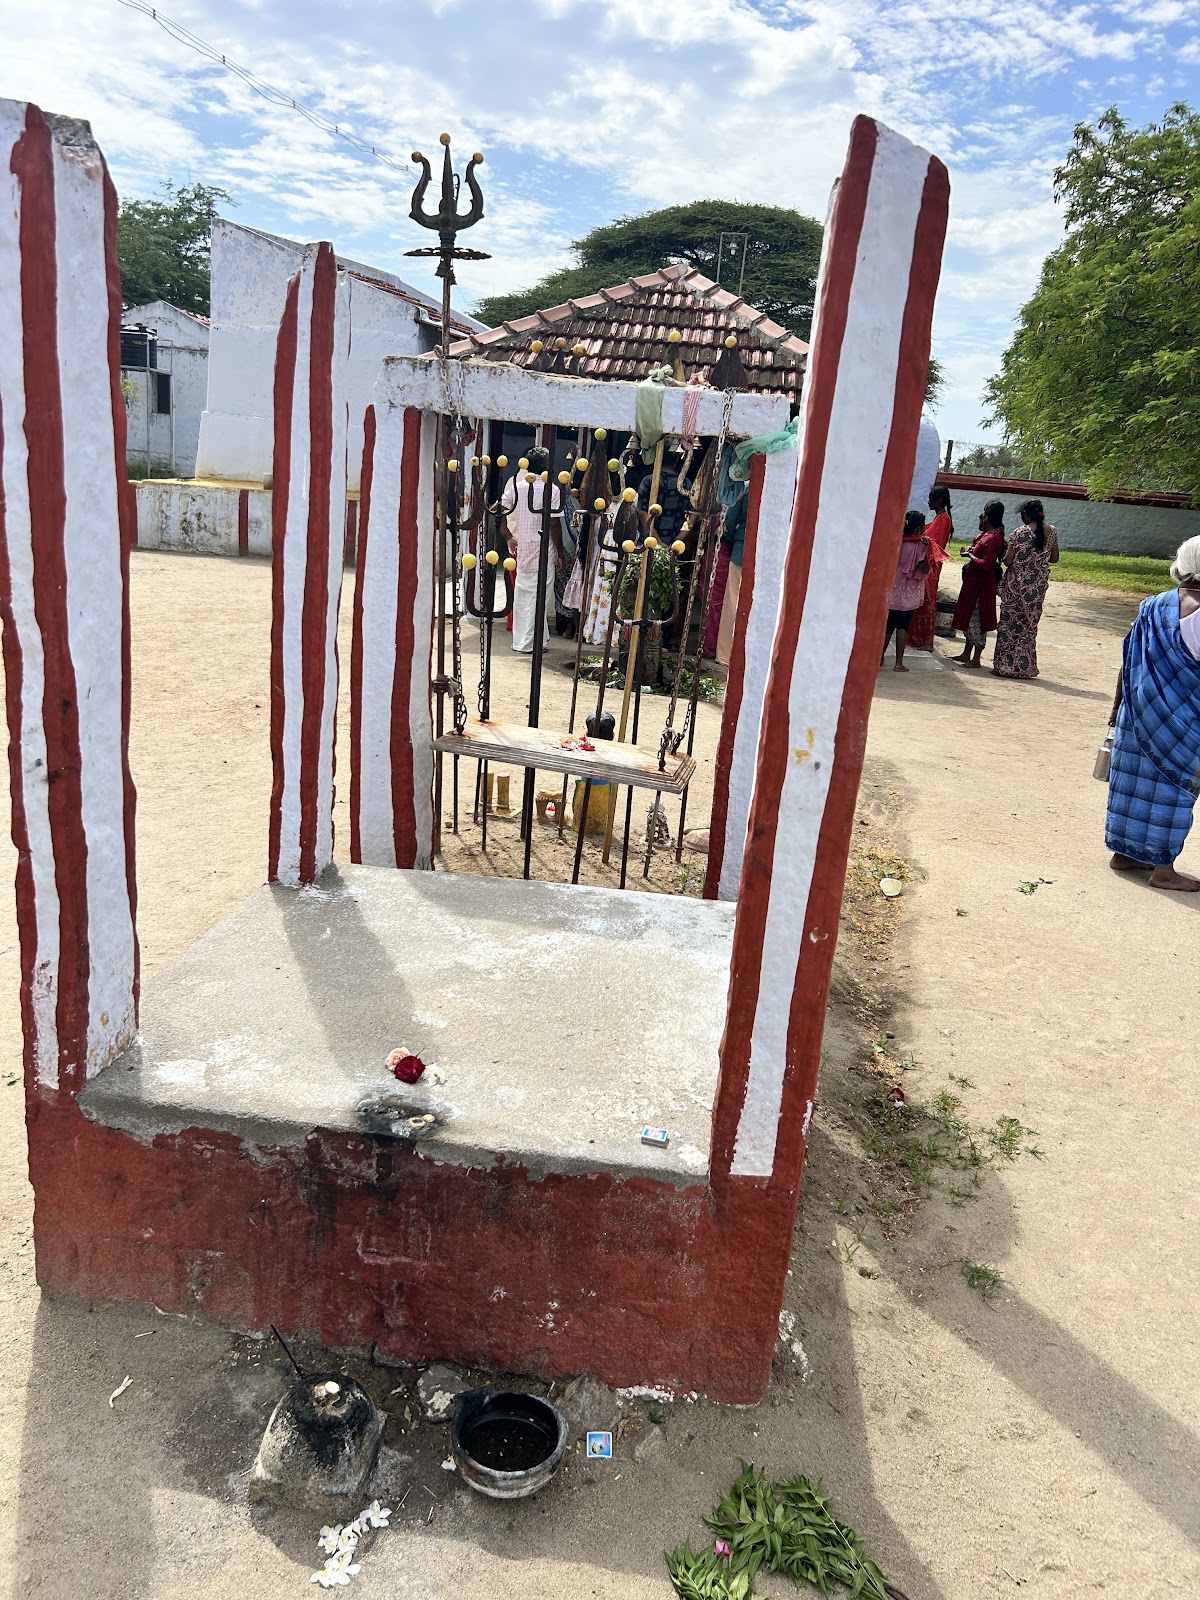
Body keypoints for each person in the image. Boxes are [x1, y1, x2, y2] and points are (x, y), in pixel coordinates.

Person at [1105, 535, 1200, 891]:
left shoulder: (1153, 604)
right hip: (1182, 719)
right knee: (1175, 790)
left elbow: (1127, 657)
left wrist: (1116, 708)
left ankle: (1124, 853)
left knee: (1132, 785)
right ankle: (1163, 870)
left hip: (1137, 710)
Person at [500, 447, 565, 653]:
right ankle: (530, 644)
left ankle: (530, 640)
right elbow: (554, 524)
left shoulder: (517, 487)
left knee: (523, 596)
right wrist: (561, 553)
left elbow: (498, 511)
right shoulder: (552, 490)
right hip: (544, 549)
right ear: (547, 466)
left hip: (523, 548)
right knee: (539, 599)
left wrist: (508, 536)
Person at [993, 497, 1058, 679]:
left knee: (1008, 626)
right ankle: (1024, 667)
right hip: (1036, 590)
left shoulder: (1018, 533)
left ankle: (1004, 666)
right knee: (1028, 627)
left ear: (1026, 515)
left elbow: (1008, 561)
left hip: (1015, 588)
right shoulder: (1052, 532)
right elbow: (1054, 558)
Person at [951, 500, 1005, 667]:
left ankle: (976, 658)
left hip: (981, 587)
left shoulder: (993, 538)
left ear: (987, 518)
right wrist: (971, 552)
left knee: (978, 619)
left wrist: (971, 556)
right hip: (972, 584)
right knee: (968, 617)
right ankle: (966, 652)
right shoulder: (984, 536)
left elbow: (986, 564)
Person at [882, 511, 930, 672]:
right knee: (903, 625)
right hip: (909, 592)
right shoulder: (920, 546)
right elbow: (924, 568)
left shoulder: (896, 541)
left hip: (893, 588)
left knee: (889, 625)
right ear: (918, 528)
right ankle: (899, 663)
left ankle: (879, 657)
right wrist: (927, 550)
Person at [907, 486, 954, 650]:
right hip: (928, 565)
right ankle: (917, 638)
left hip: (931, 566)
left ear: (939, 500)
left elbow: (934, 543)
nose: (928, 502)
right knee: (921, 601)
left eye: (931, 499)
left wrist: (920, 537)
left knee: (928, 601)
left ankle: (927, 641)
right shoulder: (939, 518)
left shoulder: (943, 519)